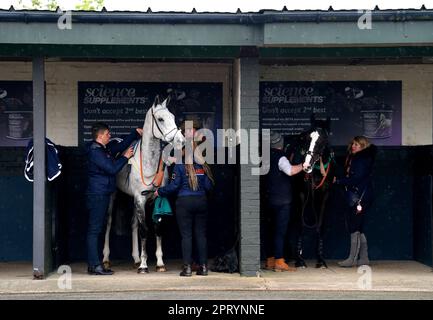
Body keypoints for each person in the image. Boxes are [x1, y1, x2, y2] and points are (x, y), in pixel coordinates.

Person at [155, 125, 214, 277]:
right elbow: (208, 186)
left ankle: (187, 268)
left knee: (186, 236)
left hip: (184, 203)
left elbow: (174, 186)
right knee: (201, 235)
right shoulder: (202, 165)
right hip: (201, 201)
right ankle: (204, 267)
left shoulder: (180, 165)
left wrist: (159, 191)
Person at [85, 122, 142, 275]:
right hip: (98, 195)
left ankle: (94, 265)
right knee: (94, 230)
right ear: (101, 136)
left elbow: (121, 145)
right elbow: (112, 169)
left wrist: (134, 133)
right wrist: (125, 157)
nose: (110, 137)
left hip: (102, 194)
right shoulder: (95, 152)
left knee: (97, 230)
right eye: (108, 134)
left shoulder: (104, 149)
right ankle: (95, 265)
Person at [334, 136, 376, 267]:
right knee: (359, 227)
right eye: (353, 143)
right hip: (362, 197)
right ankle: (364, 258)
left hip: (359, 198)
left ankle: (352, 259)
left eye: (357, 144)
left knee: (354, 227)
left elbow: (356, 178)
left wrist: (339, 181)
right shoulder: (357, 158)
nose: (353, 146)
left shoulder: (360, 160)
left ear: (363, 146)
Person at [264, 131, 303, 272]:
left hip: (268, 199)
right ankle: (279, 261)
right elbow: (290, 171)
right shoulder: (281, 157)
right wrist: (303, 165)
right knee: (280, 232)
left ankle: (270, 260)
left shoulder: (265, 156)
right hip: (282, 201)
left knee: (270, 230)